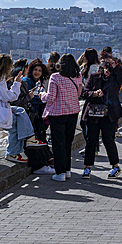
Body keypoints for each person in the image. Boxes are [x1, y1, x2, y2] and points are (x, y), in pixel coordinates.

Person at [81, 47, 122, 179]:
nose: (106, 69)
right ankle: (87, 167)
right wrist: (93, 93)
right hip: (94, 113)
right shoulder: (94, 77)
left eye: (108, 67)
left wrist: (114, 62)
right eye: (104, 66)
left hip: (109, 114)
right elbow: (84, 92)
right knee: (91, 140)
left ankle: (115, 166)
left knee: (108, 140)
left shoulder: (115, 79)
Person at [41, 53, 83, 181]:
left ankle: (60, 173)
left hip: (58, 113)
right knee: (67, 142)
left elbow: (51, 97)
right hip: (73, 112)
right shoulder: (78, 76)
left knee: (58, 143)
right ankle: (67, 169)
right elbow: (79, 93)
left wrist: (41, 94)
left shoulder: (55, 77)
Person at [20, 59, 49, 144]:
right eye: (35, 70)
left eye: (39, 70)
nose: (37, 72)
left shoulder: (37, 82)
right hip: (31, 113)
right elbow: (30, 97)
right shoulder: (27, 81)